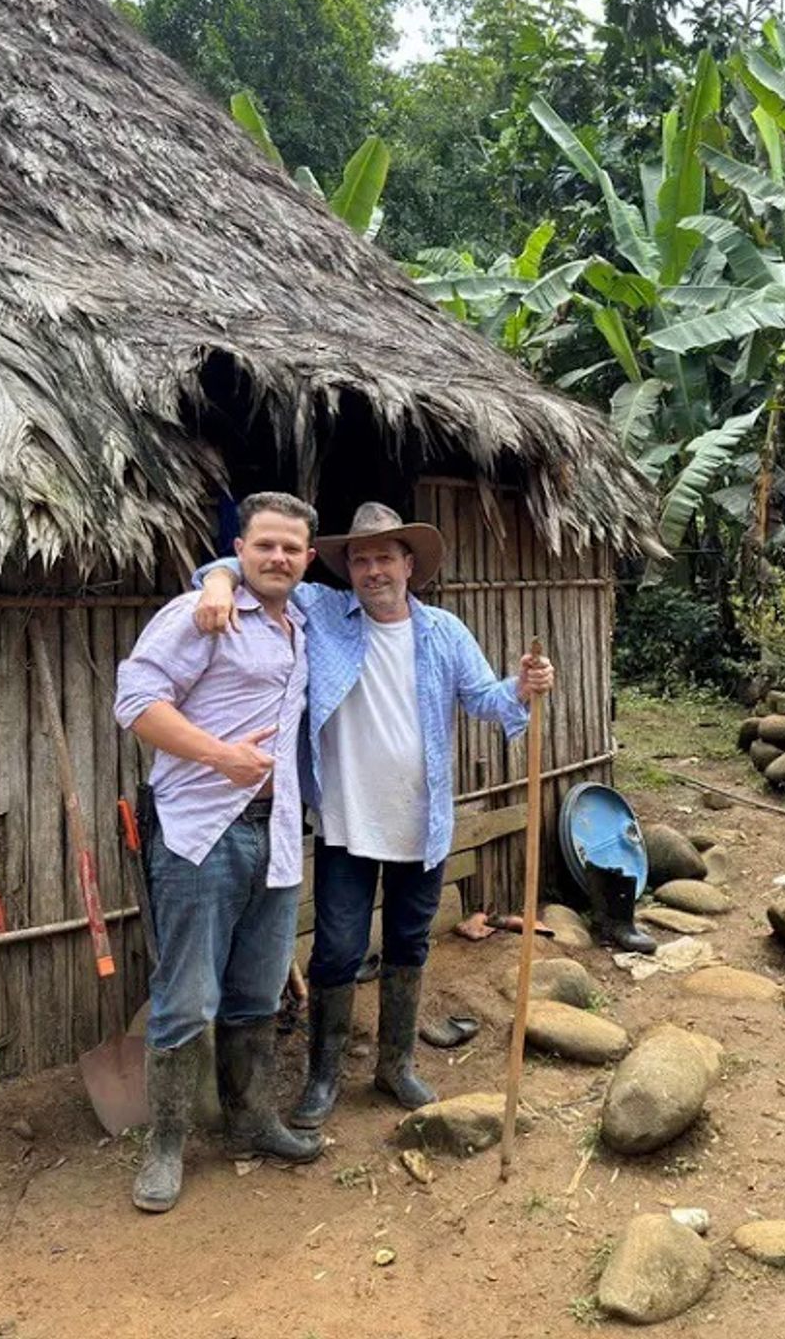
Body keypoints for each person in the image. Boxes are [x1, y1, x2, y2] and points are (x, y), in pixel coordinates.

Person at [194, 501, 554, 1127]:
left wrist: (522, 687)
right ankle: (323, 1077)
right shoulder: (324, 612)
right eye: (360, 560)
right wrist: (219, 582)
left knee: (409, 943)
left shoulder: (444, 632)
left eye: (385, 557)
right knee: (337, 950)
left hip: (422, 822)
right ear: (347, 570)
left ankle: (395, 1066)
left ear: (409, 565)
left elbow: (486, 700)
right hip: (347, 823)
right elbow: (247, 571)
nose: (372, 570)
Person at [114, 492, 326, 1213]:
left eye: (291, 548)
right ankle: (166, 1146)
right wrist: (219, 756)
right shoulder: (200, 613)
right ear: (239, 547)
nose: (278, 558)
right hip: (202, 830)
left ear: (309, 558)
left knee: (257, 991)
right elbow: (136, 701)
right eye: (263, 545)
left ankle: (251, 1121)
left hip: (279, 831)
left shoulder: (303, 624)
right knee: (186, 997)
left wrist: (221, 576)